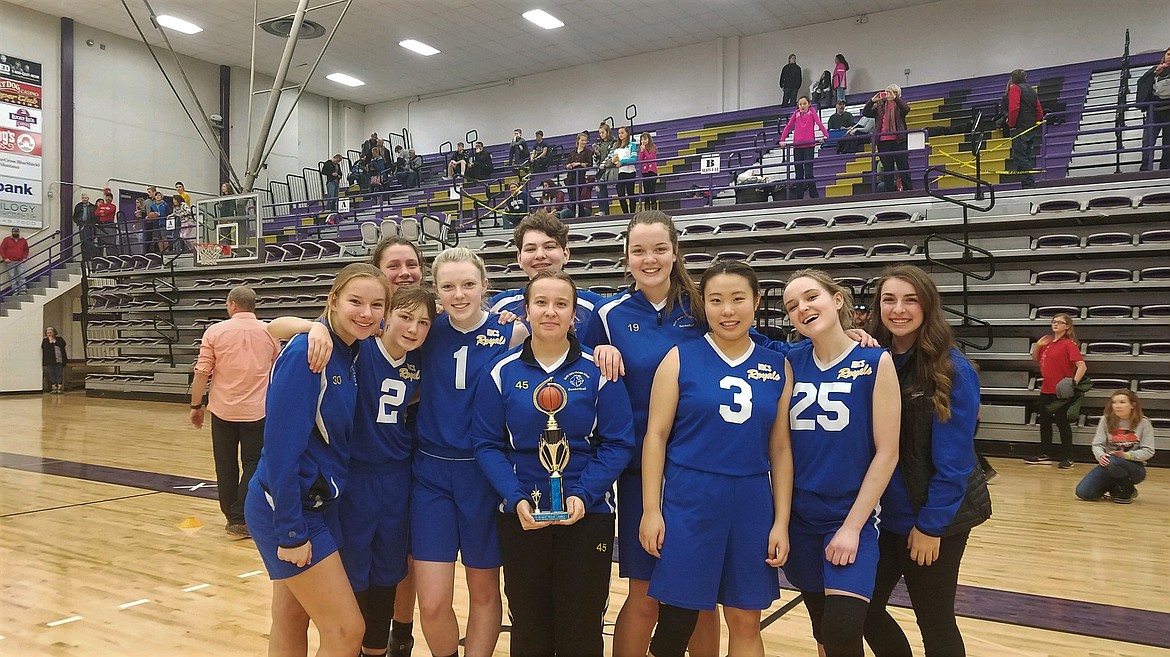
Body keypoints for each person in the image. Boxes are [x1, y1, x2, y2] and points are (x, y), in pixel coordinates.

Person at [473, 271, 635, 657]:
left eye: (561, 304)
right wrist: (515, 498)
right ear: (526, 310)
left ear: (574, 313)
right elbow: (487, 445)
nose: (550, 312)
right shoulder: (500, 371)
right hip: (522, 513)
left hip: (588, 512)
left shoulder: (599, 370)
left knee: (581, 625)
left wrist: (583, 493)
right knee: (529, 625)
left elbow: (617, 442)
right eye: (541, 303)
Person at [639, 262, 794, 657]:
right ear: (703, 306)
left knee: (745, 621)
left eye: (738, 299)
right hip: (690, 499)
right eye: (716, 301)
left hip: (751, 501)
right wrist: (651, 510)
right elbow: (655, 436)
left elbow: (780, 449)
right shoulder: (679, 358)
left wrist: (780, 522)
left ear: (756, 301)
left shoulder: (779, 365)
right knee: (676, 621)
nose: (728, 310)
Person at [243, 263, 388, 657]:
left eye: (377, 305)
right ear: (332, 301)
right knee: (346, 629)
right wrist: (290, 529)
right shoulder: (309, 354)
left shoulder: (349, 351)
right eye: (355, 302)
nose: (366, 312)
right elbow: (279, 450)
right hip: (287, 505)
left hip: (316, 503)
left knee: (290, 617)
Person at [861, 265, 991, 657]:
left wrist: (931, 526)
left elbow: (955, 462)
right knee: (862, 611)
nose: (898, 309)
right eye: (889, 299)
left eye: (910, 300)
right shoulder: (868, 359)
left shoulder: (951, 369)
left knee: (934, 619)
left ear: (927, 306)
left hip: (934, 518)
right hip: (882, 519)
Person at [412, 247, 528, 657]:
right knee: (431, 601)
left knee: (484, 591)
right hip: (431, 475)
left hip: (485, 476)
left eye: (467, 285)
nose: (458, 295)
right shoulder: (425, 332)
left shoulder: (513, 332)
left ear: (484, 286)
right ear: (436, 291)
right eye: (448, 286)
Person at [780, 268, 900, 657]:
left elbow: (887, 452)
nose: (803, 308)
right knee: (824, 630)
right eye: (792, 306)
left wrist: (851, 527)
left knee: (846, 627)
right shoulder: (787, 360)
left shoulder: (875, 361)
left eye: (812, 297)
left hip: (849, 518)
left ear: (837, 299)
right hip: (799, 519)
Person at [190, 286, 281, 538]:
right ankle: (242, 516)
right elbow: (278, 371)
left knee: (225, 465)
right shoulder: (270, 332)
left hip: (223, 411)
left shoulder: (215, 331)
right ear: (254, 306)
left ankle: (233, 516)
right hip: (258, 411)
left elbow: (201, 372)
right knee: (253, 463)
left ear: (231, 305)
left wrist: (196, 406)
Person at [488, 210, 607, 345]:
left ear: (566, 254)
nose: (540, 255)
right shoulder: (497, 307)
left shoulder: (597, 308)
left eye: (549, 246)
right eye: (530, 249)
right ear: (519, 258)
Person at [1025, 312, 1086, 470]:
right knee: (1044, 422)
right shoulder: (1048, 342)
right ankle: (1045, 453)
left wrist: (1073, 383)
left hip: (1061, 391)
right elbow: (1034, 358)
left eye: (1059, 322)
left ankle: (1067, 457)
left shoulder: (1068, 344)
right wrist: (1038, 345)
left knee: (1062, 422)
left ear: (1067, 326)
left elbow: (1082, 366)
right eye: (1054, 321)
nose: (1055, 324)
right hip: (1046, 389)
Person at [1074, 389, 1156, 503]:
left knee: (1113, 460)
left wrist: (1125, 455)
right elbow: (1097, 444)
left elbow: (1149, 450)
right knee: (1083, 493)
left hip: (1134, 467)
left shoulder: (1144, 423)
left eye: (1122, 402)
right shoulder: (1105, 420)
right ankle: (1115, 486)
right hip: (1108, 464)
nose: (1117, 406)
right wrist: (1100, 456)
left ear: (1133, 405)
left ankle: (1129, 489)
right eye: (1114, 402)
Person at [863, 85, 913, 192]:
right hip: (883, 141)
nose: (889, 94)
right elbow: (866, 112)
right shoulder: (880, 106)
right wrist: (872, 101)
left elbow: (906, 109)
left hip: (899, 140)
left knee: (903, 165)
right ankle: (889, 191)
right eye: (887, 92)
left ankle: (908, 189)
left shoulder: (900, 106)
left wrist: (895, 99)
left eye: (892, 92)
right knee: (887, 168)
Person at [779, 96, 829, 199]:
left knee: (809, 173)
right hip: (797, 146)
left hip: (809, 146)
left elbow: (819, 123)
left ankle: (814, 196)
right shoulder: (796, 114)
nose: (802, 106)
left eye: (804, 103)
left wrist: (825, 135)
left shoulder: (812, 112)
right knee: (798, 174)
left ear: (809, 104)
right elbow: (788, 126)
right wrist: (782, 139)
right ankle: (799, 197)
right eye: (800, 104)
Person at [1004, 69, 1045, 188]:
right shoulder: (1031, 90)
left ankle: (1028, 183)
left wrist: (1011, 124)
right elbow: (1039, 110)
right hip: (1030, 127)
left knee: (1019, 157)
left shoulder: (1015, 89)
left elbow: (1014, 108)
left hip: (1019, 128)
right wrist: (1035, 122)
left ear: (1013, 78)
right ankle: (1028, 183)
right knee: (1027, 156)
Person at [1136, 46, 1170, 171]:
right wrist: (1154, 73)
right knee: (1147, 142)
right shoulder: (1154, 70)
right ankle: (1146, 168)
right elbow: (1142, 84)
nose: (1169, 57)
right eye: (1168, 54)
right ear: (1164, 56)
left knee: (1168, 144)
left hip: (1168, 111)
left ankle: (1165, 169)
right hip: (1154, 112)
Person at [562, 131, 593, 218]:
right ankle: (577, 213)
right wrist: (568, 165)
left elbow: (589, 164)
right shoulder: (572, 153)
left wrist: (578, 164)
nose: (584, 142)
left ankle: (581, 215)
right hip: (570, 177)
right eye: (582, 140)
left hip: (580, 177)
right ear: (578, 141)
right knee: (572, 198)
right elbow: (567, 164)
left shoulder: (588, 152)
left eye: (585, 140)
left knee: (576, 198)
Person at [593, 123, 616, 215]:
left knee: (601, 185)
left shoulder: (613, 142)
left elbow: (611, 155)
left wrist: (604, 164)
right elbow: (595, 159)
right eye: (600, 133)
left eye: (603, 132)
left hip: (609, 168)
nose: (601, 135)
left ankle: (604, 211)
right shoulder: (599, 143)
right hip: (600, 169)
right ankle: (602, 209)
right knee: (599, 189)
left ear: (607, 132)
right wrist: (597, 153)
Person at [2, 226, 29, 294]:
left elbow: (26, 249)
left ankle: (23, 290)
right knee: (12, 277)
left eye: (17, 232)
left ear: (19, 232)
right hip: (10, 261)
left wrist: (25, 257)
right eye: (14, 232)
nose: (15, 233)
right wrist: (5, 258)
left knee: (21, 275)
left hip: (20, 261)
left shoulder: (23, 240)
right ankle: (15, 290)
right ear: (12, 232)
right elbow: (2, 249)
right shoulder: (6, 240)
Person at [41, 326, 68, 394]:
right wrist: (50, 342)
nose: (49, 334)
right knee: (51, 374)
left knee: (59, 373)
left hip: (59, 360)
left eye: (50, 332)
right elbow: (44, 347)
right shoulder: (45, 341)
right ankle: (53, 387)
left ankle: (59, 387)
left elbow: (63, 344)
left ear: (54, 333)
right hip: (49, 361)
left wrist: (54, 341)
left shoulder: (59, 339)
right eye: (48, 333)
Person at [71, 192, 98, 259]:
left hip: (90, 225)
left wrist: (93, 223)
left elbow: (95, 216)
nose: (84, 199)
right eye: (83, 198)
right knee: (83, 241)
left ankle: (91, 256)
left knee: (90, 241)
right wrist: (78, 222)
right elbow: (75, 216)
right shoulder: (79, 206)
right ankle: (85, 257)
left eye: (86, 198)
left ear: (88, 199)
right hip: (82, 224)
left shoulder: (93, 207)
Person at [638, 132, 659, 210]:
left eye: (645, 139)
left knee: (652, 190)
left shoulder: (653, 147)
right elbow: (640, 159)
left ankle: (654, 208)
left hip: (652, 171)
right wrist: (641, 151)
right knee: (646, 191)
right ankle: (647, 209)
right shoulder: (641, 149)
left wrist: (645, 151)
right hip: (645, 172)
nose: (643, 141)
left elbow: (650, 158)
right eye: (642, 139)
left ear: (649, 139)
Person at [95, 189, 118, 256]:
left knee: (110, 242)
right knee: (100, 242)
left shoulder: (113, 206)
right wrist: (103, 213)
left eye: (110, 197)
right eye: (107, 197)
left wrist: (102, 212)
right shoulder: (101, 205)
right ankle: (99, 256)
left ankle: (111, 256)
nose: (108, 198)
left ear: (112, 199)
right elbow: (96, 213)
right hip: (101, 224)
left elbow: (109, 212)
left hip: (109, 224)